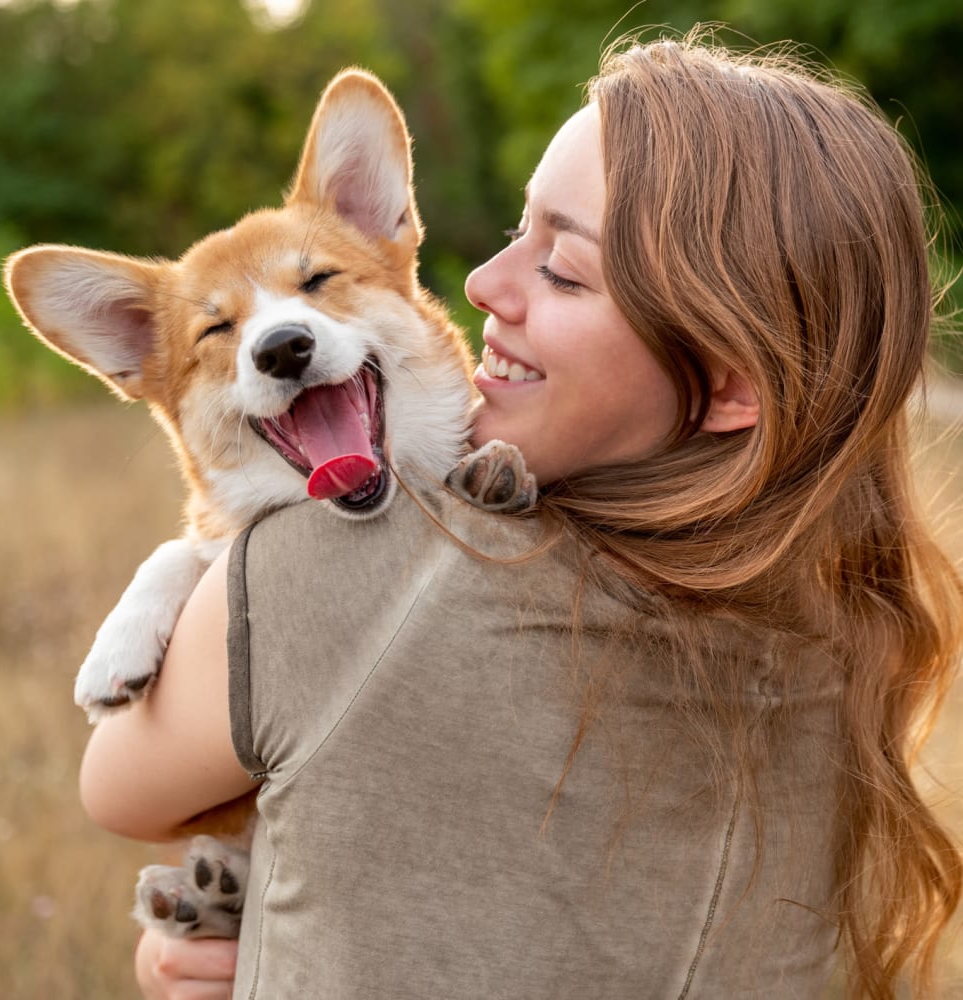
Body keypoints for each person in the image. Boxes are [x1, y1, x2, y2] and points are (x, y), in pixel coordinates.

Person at [80, 30, 963, 1000]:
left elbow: (114, 786)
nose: (479, 284)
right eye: (517, 231)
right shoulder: (844, 643)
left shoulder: (335, 573)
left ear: (723, 381)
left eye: (564, 269)